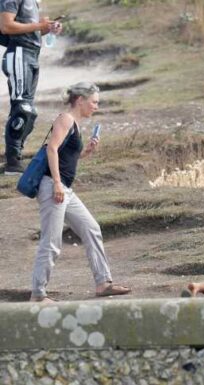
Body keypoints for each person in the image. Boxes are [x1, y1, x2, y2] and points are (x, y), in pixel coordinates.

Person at [30, 82, 131, 302]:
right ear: (80, 100)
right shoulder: (65, 119)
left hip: (65, 188)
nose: (96, 106)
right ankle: (37, 294)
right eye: (94, 102)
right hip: (53, 186)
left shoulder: (75, 123)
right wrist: (56, 183)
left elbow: (67, 157)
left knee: (91, 228)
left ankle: (103, 283)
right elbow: (52, 149)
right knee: (52, 241)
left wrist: (86, 152)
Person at [1, 0, 62, 175]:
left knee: (27, 111)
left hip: (32, 54)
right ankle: (13, 162)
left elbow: (28, 30)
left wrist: (46, 28)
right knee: (23, 109)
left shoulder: (33, 1)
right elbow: (6, 26)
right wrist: (39, 24)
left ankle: (15, 157)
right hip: (19, 53)